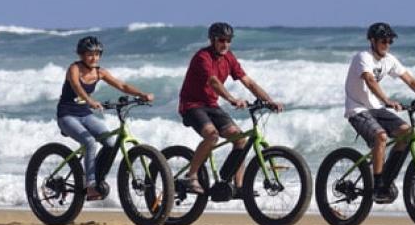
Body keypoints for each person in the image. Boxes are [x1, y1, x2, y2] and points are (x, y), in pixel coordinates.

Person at [343, 22, 415, 202]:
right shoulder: (362, 57)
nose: (387, 44)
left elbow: (411, 81)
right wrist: (387, 100)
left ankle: (386, 181)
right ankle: (377, 184)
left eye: (390, 41)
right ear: (372, 40)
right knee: (381, 137)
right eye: (384, 40)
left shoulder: (389, 60)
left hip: (376, 108)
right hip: (357, 109)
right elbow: (370, 80)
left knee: (407, 133)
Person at [178, 22, 282, 194]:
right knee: (212, 136)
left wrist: (269, 101)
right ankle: (191, 176)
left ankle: (238, 185)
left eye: (228, 40)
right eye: (221, 40)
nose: (225, 44)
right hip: (192, 105)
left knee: (240, 139)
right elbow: (213, 82)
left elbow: (249, 82)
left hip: (211, 105)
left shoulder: (229, 58)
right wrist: (232, 99)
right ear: (212, 40)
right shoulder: (202, 57)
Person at [56, 36, 154, 200]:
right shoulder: (74, 68)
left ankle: (98, 178)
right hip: (67, 115)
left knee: (110, 143)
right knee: (89, 142)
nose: (94, 58)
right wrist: (90, 101)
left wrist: (141, 94)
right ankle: (91, 185)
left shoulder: (100, 72)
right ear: (81, 55)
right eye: (90, 54)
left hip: (85, 115)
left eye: (97, 54)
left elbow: (121, 86)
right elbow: (76, 86)